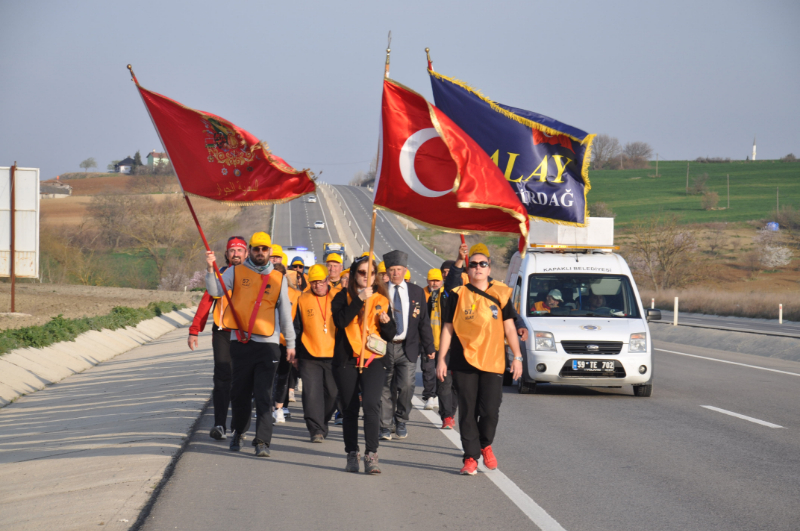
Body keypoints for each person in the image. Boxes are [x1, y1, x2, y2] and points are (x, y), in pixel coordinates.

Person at [205, 232, 296, 458]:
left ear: (269, 252)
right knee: (240, 393)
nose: (260, 253)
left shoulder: (279, 278)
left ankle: (262, 441)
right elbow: (215, 291)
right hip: (241, 342)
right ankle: (238, 432)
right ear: (250, 250)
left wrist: (291, 343)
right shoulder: (235, 272)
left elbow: (285, 313)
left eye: (264, 250)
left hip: (269, 345)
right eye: (256, 249)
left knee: (264, 393)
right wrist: (210, 269)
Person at [436, 244, 524, 475]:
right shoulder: (457, 294)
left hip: (493, 360)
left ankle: (485, 444)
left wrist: (517, 357)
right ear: (468, 269)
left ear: (489, 268)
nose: (478, 268)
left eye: (482, 264)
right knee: (467, 410)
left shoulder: (502, 293)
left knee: (490, 410)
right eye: (473, 264)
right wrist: (441, 359)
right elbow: (448, 328)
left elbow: (510, 328)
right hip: (463, 360)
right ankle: (470, 458)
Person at [331, 256, 396, 474]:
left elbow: (389, 334)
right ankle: (352, 453)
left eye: (370, 273)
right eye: (361, 272)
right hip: (347, 359)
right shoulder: (342, 297)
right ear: (353, 274)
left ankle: (371, 454)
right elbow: (340, 321)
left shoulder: (382, 298)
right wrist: (359, 299)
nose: (366, 277)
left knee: (371, 404)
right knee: (349, 408)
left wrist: (387, 325)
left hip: (373, 359)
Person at [188, 236, 248, 440]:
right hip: (222, 332)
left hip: (245, 333)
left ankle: (239, 427)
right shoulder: (220, 274)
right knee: (222, 379)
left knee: (242, 381)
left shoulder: (252, 276)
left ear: (246, 253)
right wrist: (194, 329)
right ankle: (219, 425)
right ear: (226, 254)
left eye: (240, 250)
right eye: (232, 250)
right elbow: (206, 302)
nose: (236, 254)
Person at [379, 250, 435, 440]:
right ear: (387, 272)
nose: (396, 273)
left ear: (405, 270)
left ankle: (401, 420)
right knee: (384, 387)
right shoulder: (381, 291)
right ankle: (385, 425)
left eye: (399, 269)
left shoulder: (416, 292)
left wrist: (429, 348)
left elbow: (424, 322)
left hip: (408, 347)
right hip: (385, 347)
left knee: (407, 386)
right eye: (392, 270)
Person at [293, 264, 338, 443]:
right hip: (308, 354)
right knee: (311, 393)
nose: (317, 286)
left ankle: (323, 420)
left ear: (328, 280)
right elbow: (297, 328)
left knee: (333, 394)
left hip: (334, 355)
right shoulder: (302, 299)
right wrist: (295, 353)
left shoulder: (338, 297)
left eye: (320, 282)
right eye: (313, 283)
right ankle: (315, 429)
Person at [272, 263, 301, 423]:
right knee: (269, 376)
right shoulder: (264, 292)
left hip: (286, 342)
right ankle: (269, 407)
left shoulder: (295, 295)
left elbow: (296, 321)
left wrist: (293, 342)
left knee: (283, 375)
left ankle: (280, 407)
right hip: (268, 340)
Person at [420, 269, 443, 411]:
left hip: (443, 339)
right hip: (427, 339)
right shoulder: (422, 293)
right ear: (427, 280)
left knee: (441, 370)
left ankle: (439, 396)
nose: (434, 283)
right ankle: (430, 396)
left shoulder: (446, 294)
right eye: (432, 280)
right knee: (428, 369)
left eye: (437, 280)